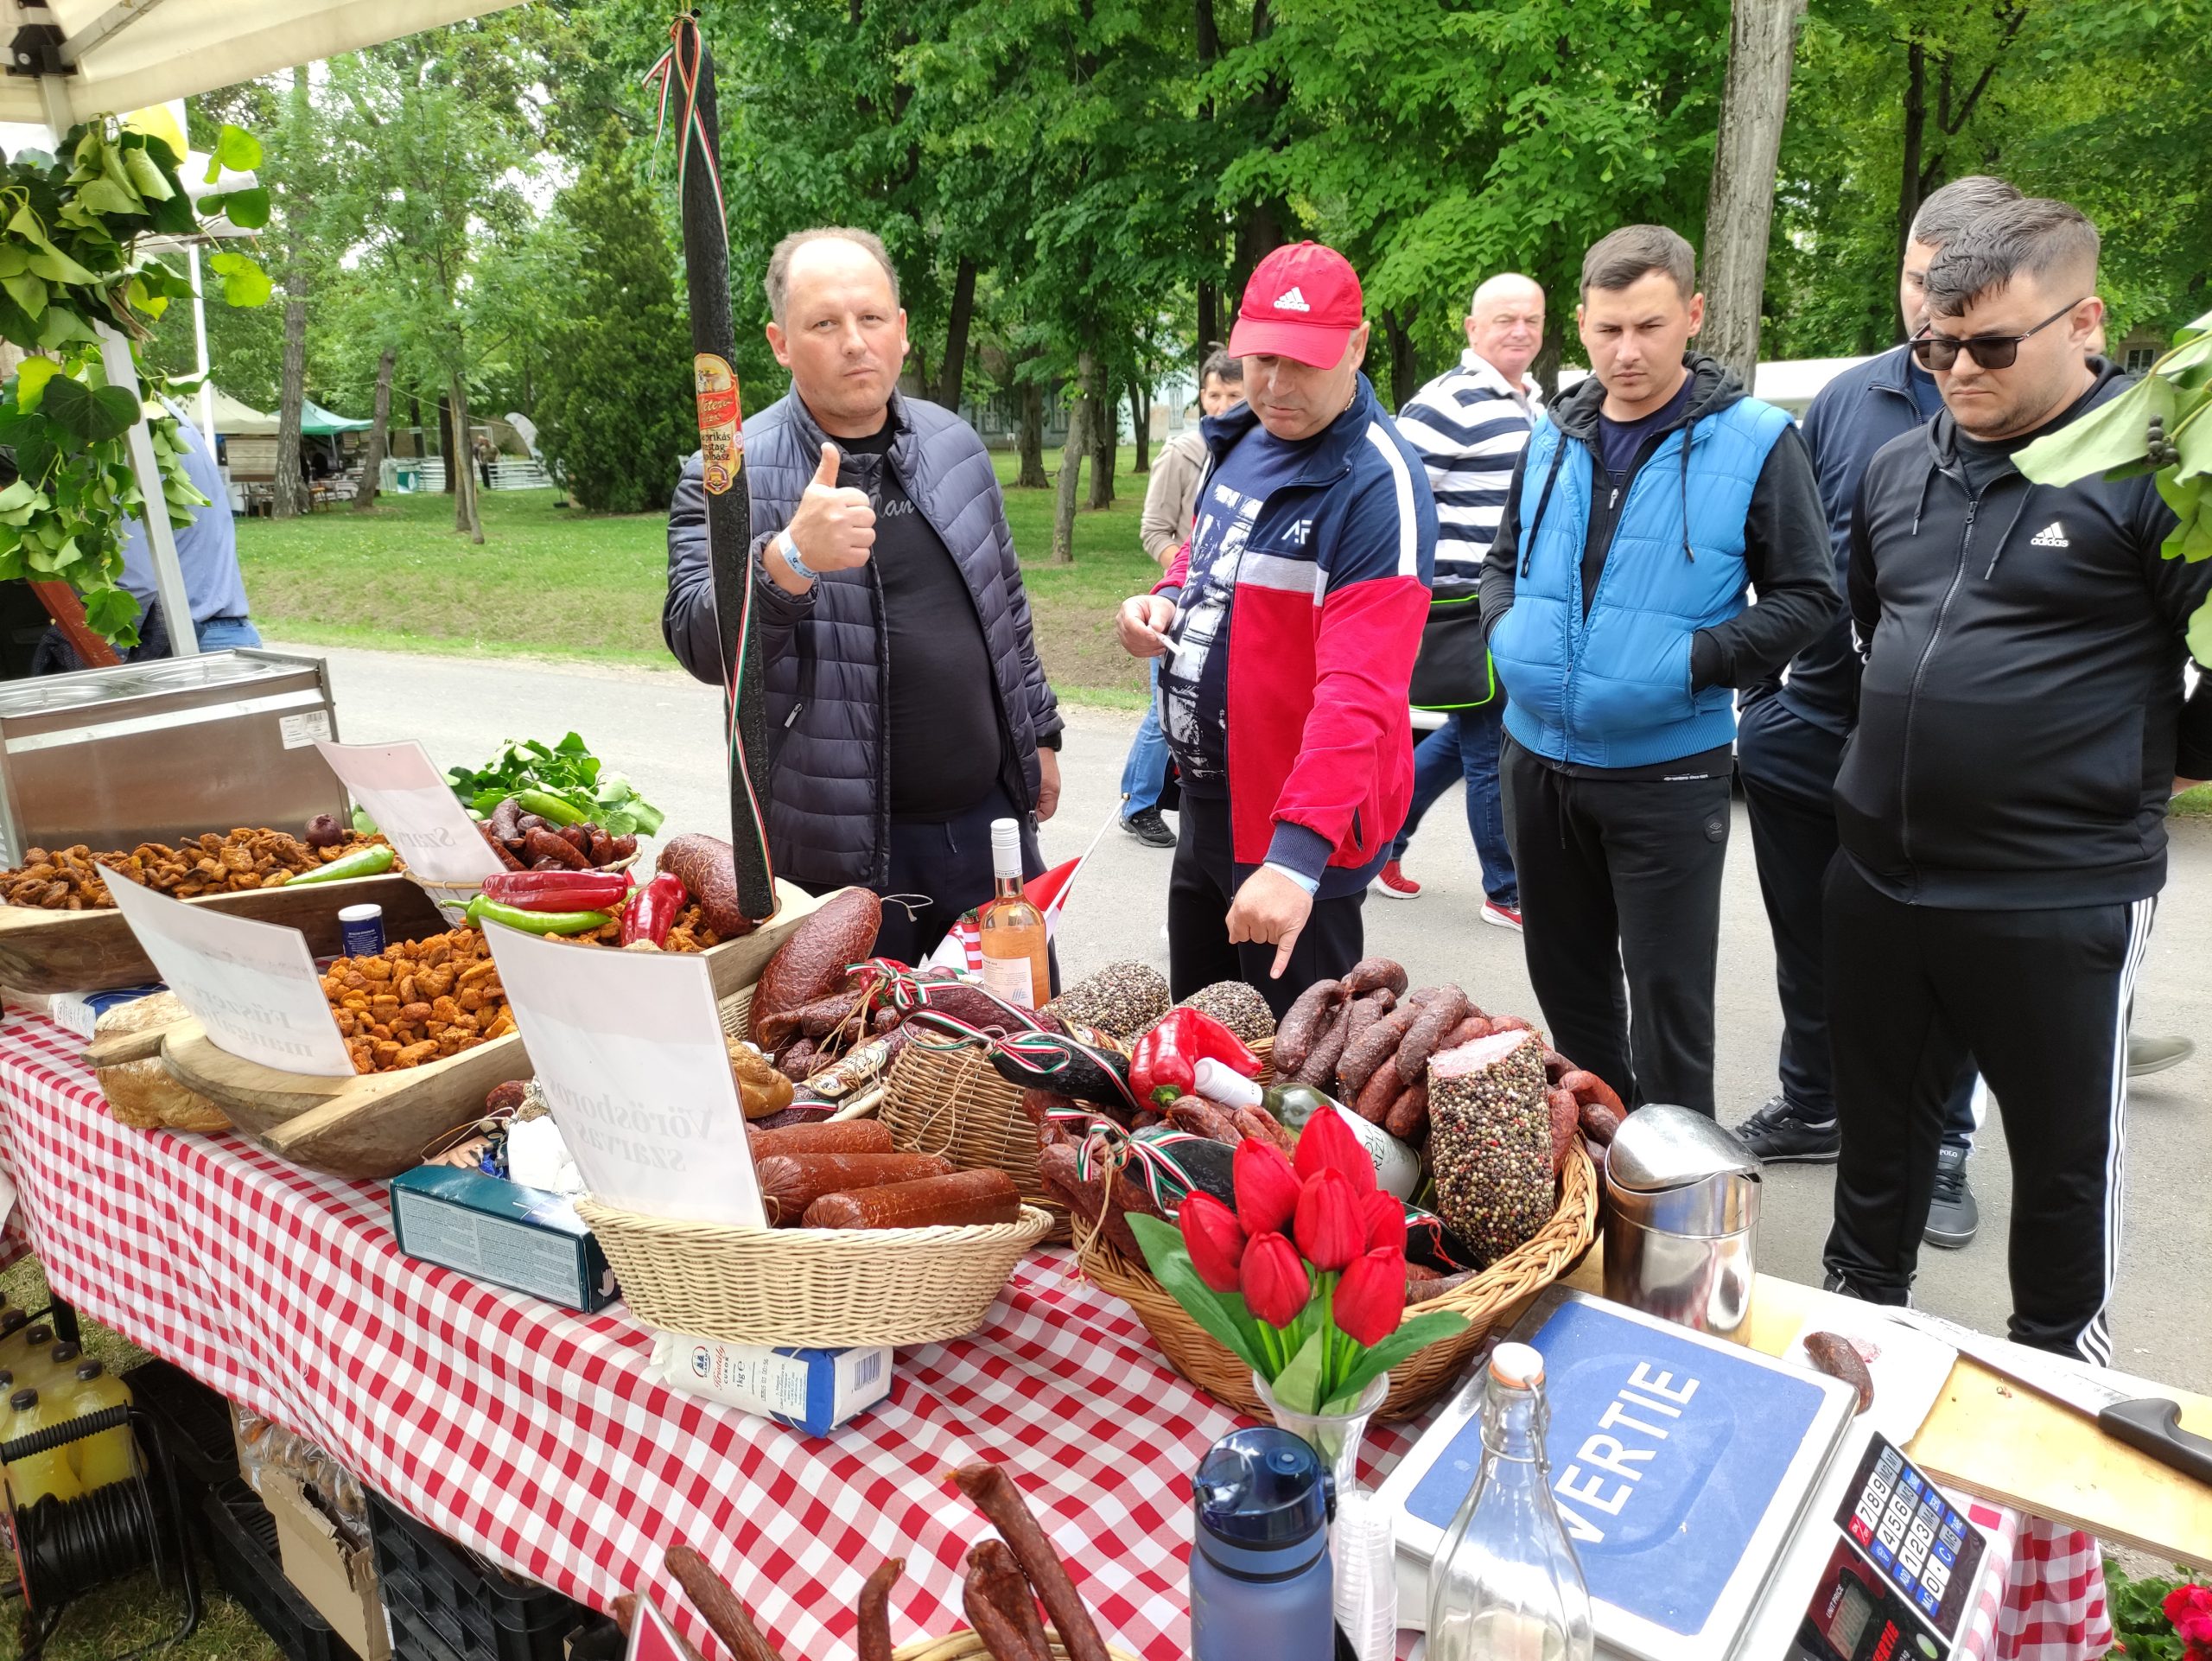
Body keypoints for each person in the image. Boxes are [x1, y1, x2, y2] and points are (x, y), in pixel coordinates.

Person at [1821, 199, 2212, 1363]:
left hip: (2055, 890)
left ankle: (2057, 1375)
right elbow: (1873, 626)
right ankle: (1855, 1339)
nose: (1956, 370)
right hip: (1881, 879)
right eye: (1934, 346)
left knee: (2059, 1162)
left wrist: (2154, 763)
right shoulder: (1898, 465)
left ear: (2083, 322)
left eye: (1990, 346)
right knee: (1876, 1142)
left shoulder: (2154, 478)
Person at [1479, 226, 1834, 1117]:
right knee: (1569, 991)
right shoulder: (1553, 433)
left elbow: (1808, 596)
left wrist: (1690, 661)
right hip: (1537, 759)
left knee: (1669, 1002)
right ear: (1581, 324)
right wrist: (1507, 632)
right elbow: (1500, 560)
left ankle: (1679, 1183)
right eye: (1607, 330)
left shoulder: (1757, 440)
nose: (1626, 352)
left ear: (1694, 313)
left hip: (1666, 769)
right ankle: (1604, 1161)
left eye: (1649, 326)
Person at [1730, 175, 2020, 1251]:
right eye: (1913, 275)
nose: (1923, 303)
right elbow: (1798, 560)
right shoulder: (1850, 397)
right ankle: (1814, 1101)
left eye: (1947, 281)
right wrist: (1765, 699)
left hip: (1948, 756)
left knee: (1948, 959)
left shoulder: (2037, 412)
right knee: (1811, 939)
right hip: (1812, 728)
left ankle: (1941, 1143)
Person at [661, 226, 1064, 966]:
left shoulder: (954, 446)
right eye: (824, 324)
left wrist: (1040, 736)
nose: (855, 343)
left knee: (1019, 1026)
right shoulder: (726, 478)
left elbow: (1006, 608)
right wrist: (787, 558)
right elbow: (697, 641)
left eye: (871, 318)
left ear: (901, 330)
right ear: (780, 343)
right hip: (840, 863)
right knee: (865, 1039)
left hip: (990, 831)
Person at [1114, 241, 1434, 1018]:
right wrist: (1165, 599)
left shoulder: (1377, 483)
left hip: (1299, 826)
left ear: (1357, 347)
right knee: (1197, 1041)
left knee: (1293, 1063)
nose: (1277, 385)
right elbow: (1204, 555)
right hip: (1207, 800)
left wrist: (1295, 862)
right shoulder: (1241, 440)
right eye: (1262, 359)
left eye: (1305, 363)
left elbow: (1361, 690)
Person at [1373, 273, 1545, 929]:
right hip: (1462, 606)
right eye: (1505, 319)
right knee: (1490, 747)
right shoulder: (1449, 401)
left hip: (1513, 606)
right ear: (1473, 329)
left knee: (1464, 735)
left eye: (1532, 320)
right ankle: (1507, 890)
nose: (1520, 331)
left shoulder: (1531, 401)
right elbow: (1390, 493)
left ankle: (1382, 842)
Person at [1118, 350, 1244, 849]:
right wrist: (1193, 578)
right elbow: (1155, 529)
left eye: (1233, 395)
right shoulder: (1184, 453)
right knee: (1165, 707)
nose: (1223, 405)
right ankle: (1138, 804)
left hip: (1230, 609)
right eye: (1214, 394)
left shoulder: (1255, 452)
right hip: (1181, 602)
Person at [36, 404, 261, 669]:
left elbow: (137, 582)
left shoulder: (118, 448)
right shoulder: (171, 419)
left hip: (191, 648)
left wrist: (98, 657)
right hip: (229, 636)